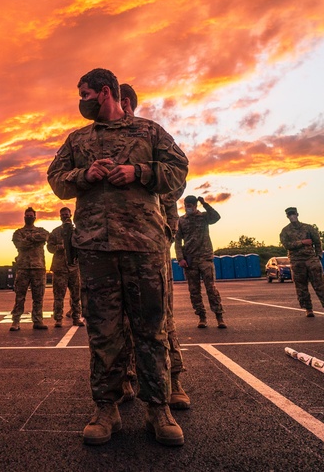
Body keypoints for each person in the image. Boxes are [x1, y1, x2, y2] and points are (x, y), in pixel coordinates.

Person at [47, 68, 189, 447]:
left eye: (85, 94)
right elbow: (56, 179)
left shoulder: (149, 132)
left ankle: (159, 410)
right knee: (103, 333)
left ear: (104, 92)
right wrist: (86, 174)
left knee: (151, 330)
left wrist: (139, 171)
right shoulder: (78, 140)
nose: (82, 101)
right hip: (95, 249)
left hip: (144, 246)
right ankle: (105, 408)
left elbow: (179, 172)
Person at [120, 83, 189, 410]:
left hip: (152, 245)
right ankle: (127, 377)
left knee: (160, 317)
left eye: (124, 102)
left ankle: (173, 380)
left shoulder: (148, 135)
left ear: (129, 103)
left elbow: (175, 182)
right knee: (120, 319)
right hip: (117, 244)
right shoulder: (100, 140)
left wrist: (164, 236)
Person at [175, 195, 225, 329]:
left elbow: (216, 217)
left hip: (205, 258)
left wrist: (205, 204)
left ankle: (219, 317)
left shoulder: (203, 217)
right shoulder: (181, 221)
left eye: (190, 205)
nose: (188, 208)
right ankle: (202, 317)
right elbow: (178, 240)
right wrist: (180, 258)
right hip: (190, 260)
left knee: (211, 289)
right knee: (194, 291)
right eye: (186, 205)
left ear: (195, 205)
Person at [280, 207, 324, 317]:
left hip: (311, 259)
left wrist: (319, 255)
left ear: (297, 214)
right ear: (287, 216)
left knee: (320, 285)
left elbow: (317, 242)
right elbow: (287, 245)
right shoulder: (285, 231)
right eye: (290, 215)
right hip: (297, 261)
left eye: (293, 214)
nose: (292, 216)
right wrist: (302, 242)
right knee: (301, 287)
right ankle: (308, 309)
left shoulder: (308, 228)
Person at [10, 207, 50, 331]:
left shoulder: (41, 230)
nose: (29, 217)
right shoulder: (18, 232)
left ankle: (38, 320)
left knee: (38, 296)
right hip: (23, 268)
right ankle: (16, 321)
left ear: (35, 217)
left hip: (38, 268)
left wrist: (28, 239)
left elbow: (47, 236)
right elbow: (20, 244)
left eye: (31, 215)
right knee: (20, 296)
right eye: (27, 215)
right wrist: (34, 240)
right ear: (24, 217)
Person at [47, 207, 81, 328]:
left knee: (76, 295)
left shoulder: (76, 231)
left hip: (74, 268)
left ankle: (76, 318)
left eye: (66, 214)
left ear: (70, 215)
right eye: (62, 215)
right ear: (59, 216)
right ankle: (58, 319)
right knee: (58, 296)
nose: (65, 216)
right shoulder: (55, 232)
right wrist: (58, 247)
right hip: (60, 268)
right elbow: (49, 248)